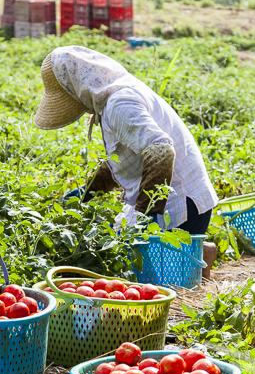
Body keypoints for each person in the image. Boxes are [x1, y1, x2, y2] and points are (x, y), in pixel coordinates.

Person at [33, 46, 218, 235]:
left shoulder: (119, 104)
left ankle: (204, 252)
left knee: (149, 261)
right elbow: (123, 157)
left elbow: (162, 151)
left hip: (180, 205)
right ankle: (204, 252)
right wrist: (88, 189)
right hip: (181, 198)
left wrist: (147, 214)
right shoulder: (116, 96)